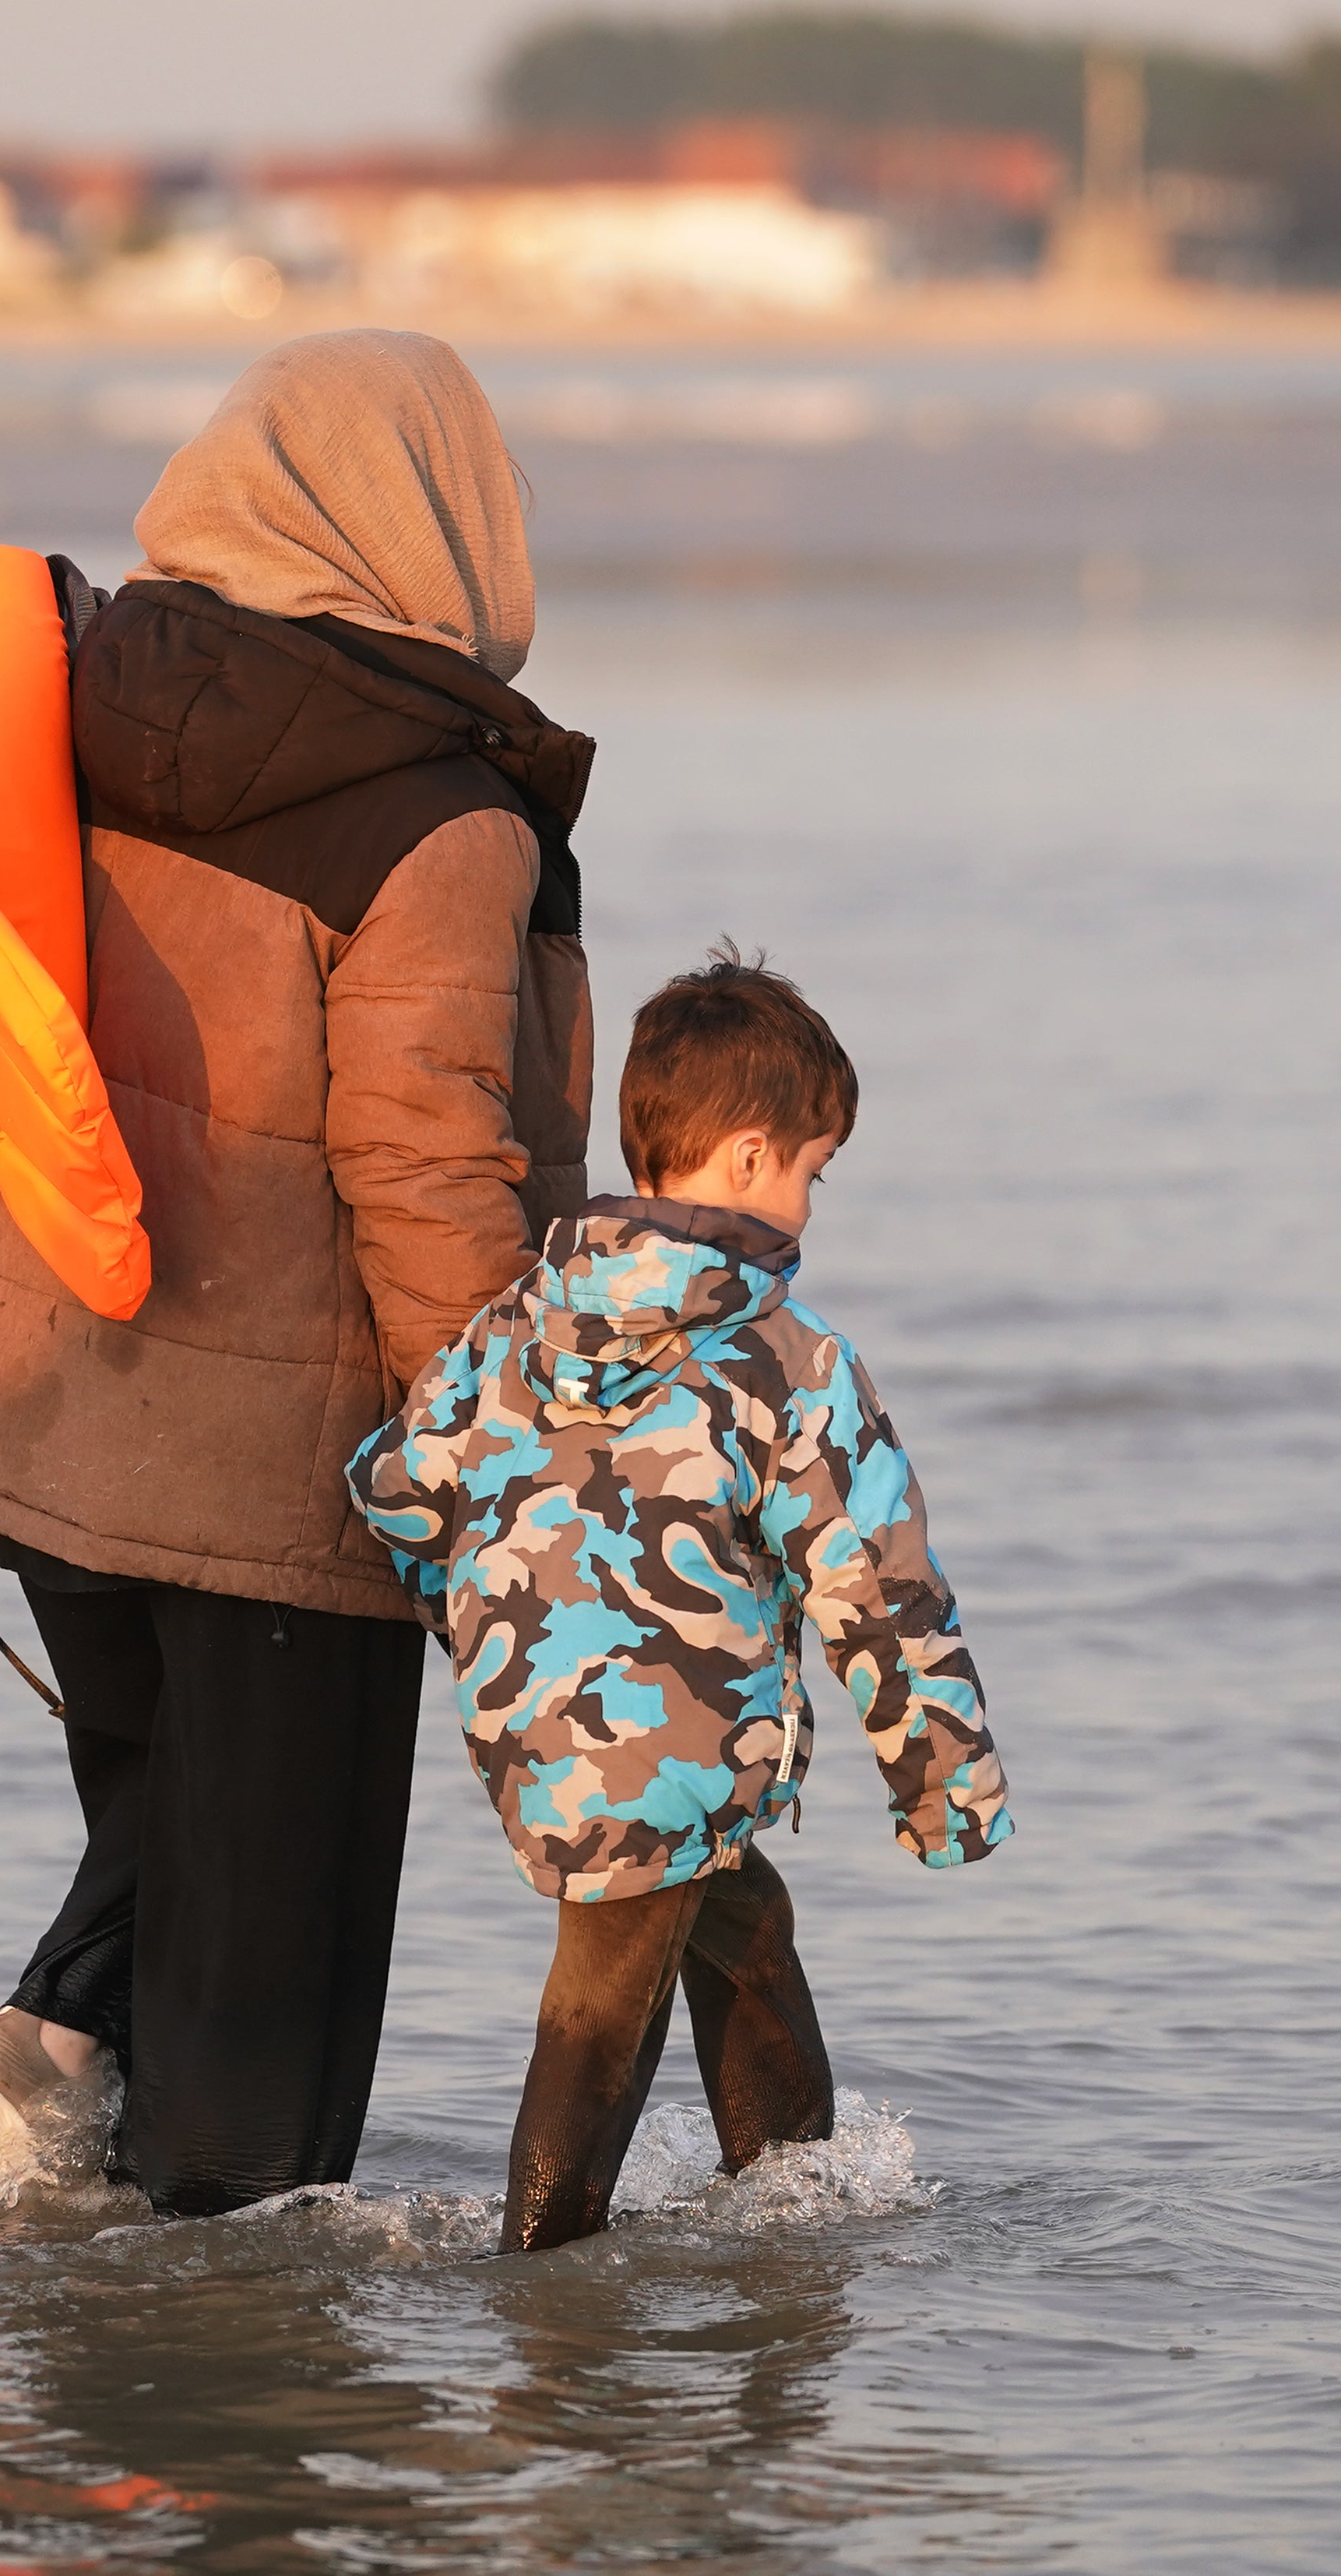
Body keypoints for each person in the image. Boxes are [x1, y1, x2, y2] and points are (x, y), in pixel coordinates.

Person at [0, 330, 597, 2216]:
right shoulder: (440, 810)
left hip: (40, 1419)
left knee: (170, 1873)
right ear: (437, 518)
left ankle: (51, 2142)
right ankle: (232, 2440)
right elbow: (429, 1163)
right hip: (291, 1476)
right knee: (261, 2082)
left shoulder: (57, 702)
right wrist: (499, 1471)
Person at [347, 951, 1009, 2253]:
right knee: (599, 2006)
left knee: (741, 1923)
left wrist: (483, 1623)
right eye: (815, 1169)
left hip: (533, 1722)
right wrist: (944, 1784)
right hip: (679, 1737)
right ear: (752, 1159)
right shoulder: (789, 1358)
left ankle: (793, 2214)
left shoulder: (517, 1323)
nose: (813, 1204)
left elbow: (396, 1489)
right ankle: (538, 2283)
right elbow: (876, 1591)